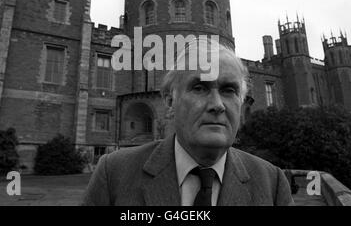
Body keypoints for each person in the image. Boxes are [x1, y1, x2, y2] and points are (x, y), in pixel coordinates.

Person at [82, 39, 294, 206]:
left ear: (241, 102)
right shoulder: (115, 173)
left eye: (229, 90)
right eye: (199, 88)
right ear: (170, 101)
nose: (217, 105)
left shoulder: (271, 183)